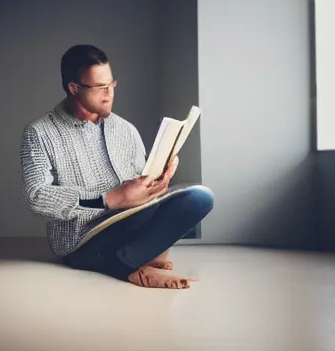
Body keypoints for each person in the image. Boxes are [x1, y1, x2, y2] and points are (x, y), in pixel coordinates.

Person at [20, 44, 214, 289]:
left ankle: (131, 263)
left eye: (111, 85)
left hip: (131, 221)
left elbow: (141, 183)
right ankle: (139, 264)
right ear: (74, 88)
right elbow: (36, 196)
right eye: (100, 87)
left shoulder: (125, 129)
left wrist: (160, 179)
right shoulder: (39, 132)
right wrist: (108, 199)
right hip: (84, 239)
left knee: (199, 197)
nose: (109, 93)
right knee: (99, 245)